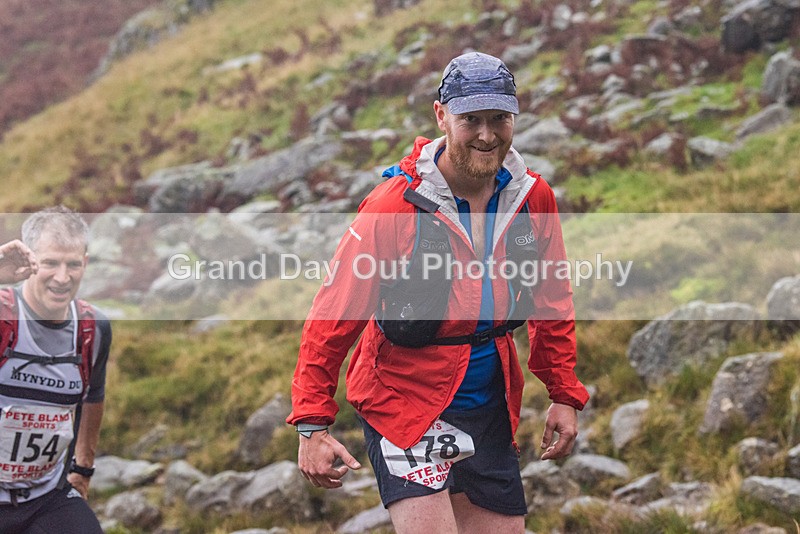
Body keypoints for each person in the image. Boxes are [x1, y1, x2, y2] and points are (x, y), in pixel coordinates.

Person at [287, 52, 589, 533]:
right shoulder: (394, 206)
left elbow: (552, 301)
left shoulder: (533, 198)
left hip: (488, 405)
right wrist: (312, 422)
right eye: (471, 120)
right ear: (441, 116)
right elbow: (333, 314)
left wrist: (564, 393)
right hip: (404, 403)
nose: (487, 135)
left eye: (499, 119)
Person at [0, 206, 111, 534]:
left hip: (45, 499)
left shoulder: (93, 328)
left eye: (73, 264)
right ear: (28, 258)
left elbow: (94, 395)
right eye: (50, 263)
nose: (63, 278)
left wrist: (83, 469)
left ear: (85, 263)